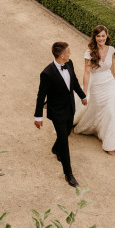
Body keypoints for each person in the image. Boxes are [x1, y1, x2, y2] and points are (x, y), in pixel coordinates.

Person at [34, 41, 87, 187]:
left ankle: (55, 148)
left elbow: (74, 82)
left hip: (70, 108)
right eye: (69, 52)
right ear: (62, 55)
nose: (70, 54)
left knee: (67, 131)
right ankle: (68, 174)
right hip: (57, 112)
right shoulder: (47, 73)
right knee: (64, 141)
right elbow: (41, 96)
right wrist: (38, 117)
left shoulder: (69, 64)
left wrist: (82, 96)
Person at [74, 25, 115, 154]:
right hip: (96, 83)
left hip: (108, 83)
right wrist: (84, 91)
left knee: (111, 109)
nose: (101, 38)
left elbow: (111, 67)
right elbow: (86, 72)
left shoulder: (111, 50)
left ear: (106, 36)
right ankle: (96, 128)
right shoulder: (89, 53)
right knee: (98, 108)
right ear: (95, 37)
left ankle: (110, 143)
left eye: (103, 36)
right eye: (98, 36)